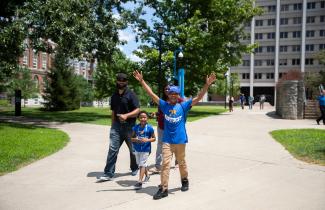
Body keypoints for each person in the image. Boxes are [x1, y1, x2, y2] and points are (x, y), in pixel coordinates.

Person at [133, 70, 216, 200]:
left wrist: (207, 85)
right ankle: (164, 188)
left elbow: (198, 97)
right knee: (165, 164)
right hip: (167, 140)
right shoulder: (164, 105)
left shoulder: (183, 106)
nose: (173, 96)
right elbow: (151, 94)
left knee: (181, 162)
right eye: (171, 93)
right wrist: (142, 81)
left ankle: (184, 180)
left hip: (180, 140)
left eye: (176, 94)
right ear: (168, 94)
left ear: (178, 95)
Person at [98, 73, 140, 182]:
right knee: (112, 149)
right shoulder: (114, 96)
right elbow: (113, 112)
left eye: (123, 80)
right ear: (116, 81)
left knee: (133, 150)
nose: (121, 82)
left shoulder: (131, 94)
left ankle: (135, 167)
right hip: (116, 127)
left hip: (130, 127)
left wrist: (126, 115)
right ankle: (108, 173)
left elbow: (137, 110)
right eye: (119, 80)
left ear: (126, 82)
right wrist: (112, 126)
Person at [150, 85, 184, 174]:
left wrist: (177, 96)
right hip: (162, 126)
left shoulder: (178, 100)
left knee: (176, 144)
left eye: (169, 89)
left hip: (174, 127)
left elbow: (182, 107)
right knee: (160, 145)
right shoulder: (162, 101)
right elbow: (161, 112)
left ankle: (177, 163)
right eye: (166, 89)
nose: (167, 90)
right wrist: (156, 114)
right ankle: (158, 166)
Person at [131, 111, 156, 189]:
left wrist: (147, 140)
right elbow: (131, 138)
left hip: (146, 149)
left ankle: (140, 182)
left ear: (147, 118)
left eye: (144, 117)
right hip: (137, 149)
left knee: (142, 164)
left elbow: (154, 138)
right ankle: (147, 176)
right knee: (140, 164)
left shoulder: (150, 128)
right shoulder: (135, 127)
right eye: (141, 117)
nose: (143, 119)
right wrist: (136, 139)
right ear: (138, 118)